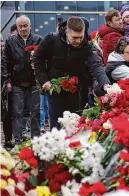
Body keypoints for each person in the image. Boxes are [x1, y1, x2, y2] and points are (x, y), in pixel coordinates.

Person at [34, 17, 111, 129]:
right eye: (74, 37)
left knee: (75, 125)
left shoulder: (87, 46)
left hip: (77, 91)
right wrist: (44, 80)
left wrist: (105, 83)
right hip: (55, 89)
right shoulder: (51, 40)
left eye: (81, 37)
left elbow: (96, 65)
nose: (78, 41)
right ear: (66, 32)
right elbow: (38, 58)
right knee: (57, 125)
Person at [1, 15, 42, 146]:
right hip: (16, 82)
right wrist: (6, 80)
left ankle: (36, 141)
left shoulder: (38, 39)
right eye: (20, 26)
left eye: (25, 26)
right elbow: (5, 61)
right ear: (17, 27)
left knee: (35, 112)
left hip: (34, 82)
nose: (23, 29)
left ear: (30, 26)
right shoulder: (10, 41)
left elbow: (44, 60)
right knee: (17, 113)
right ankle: (18, 142)